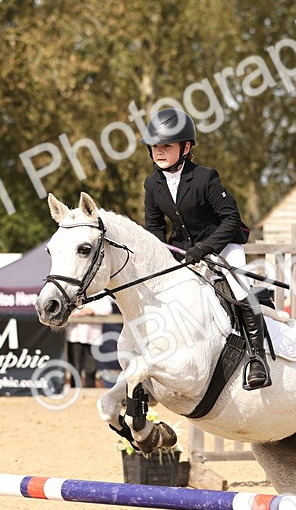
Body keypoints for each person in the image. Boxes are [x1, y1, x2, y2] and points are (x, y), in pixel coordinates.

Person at [141, 107, 270, 390]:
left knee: (240, 290)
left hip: (222, 245)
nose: (159, 151)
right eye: (155, 146)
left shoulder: (205, 177)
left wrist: (206, 248)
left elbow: (231, 218)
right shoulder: (152, 184)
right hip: (182, 251)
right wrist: (161, 256)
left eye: (166, 145)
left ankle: (257, 359)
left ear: (185, 147)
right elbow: (154, 227)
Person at [65, 294, 113, 388]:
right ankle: (74, 390)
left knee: (91, 368)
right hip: (74, 335)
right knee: (75, 366)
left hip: (93, 336)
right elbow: (65, 310)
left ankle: (89, 390)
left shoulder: (100, 291)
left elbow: (108, 309)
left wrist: (91, 311)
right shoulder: (73, 291)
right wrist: (79, 313)